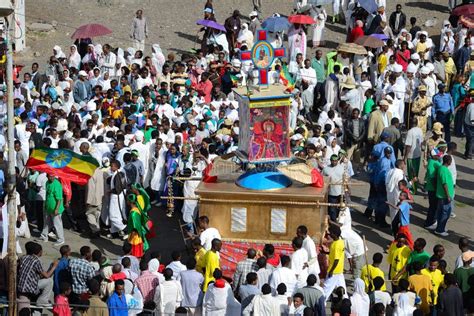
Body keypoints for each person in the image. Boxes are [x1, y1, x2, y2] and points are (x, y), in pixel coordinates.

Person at [17, 242, 57, 307]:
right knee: (49, 281)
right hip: (29, 288)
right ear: (40, 252)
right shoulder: (37, 261)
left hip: (20, 286)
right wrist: (54, 266)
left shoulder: (24, 257)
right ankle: (42, 300)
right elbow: (46, 275)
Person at [40, 174, 65, 246]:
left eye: (53, 176)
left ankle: (60, 239)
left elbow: (59, 199)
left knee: (57, 224)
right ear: (47, 176)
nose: (51, 178)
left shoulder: (57, 184)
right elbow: (47, 195)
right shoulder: (47, 182)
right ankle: (44, 236)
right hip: (48, 208)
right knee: (46, 223)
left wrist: (56, 209)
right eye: (50, 176)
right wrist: (45, 206)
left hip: (56, 209)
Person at [323, 225, 346, 300]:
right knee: (343, 289)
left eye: (330, 233)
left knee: (326, 289)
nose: (329, 235)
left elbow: (336, 260)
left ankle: (321, 303)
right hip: (339, 270)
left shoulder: (336, 245)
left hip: (334, 271)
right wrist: (326, 253)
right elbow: (336, 255)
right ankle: (347, 302)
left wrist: (331, 271)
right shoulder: (340, 241)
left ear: (334, 234)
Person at [434, 155, 455, 236]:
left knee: (442, 212)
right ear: (448, 161)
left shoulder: (443, 169)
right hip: (444, 196)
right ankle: (440, 229)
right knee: (445, 212)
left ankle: (441, 227)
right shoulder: (443, 170)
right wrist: (448, 195)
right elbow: (444, 183)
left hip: (443, 195)